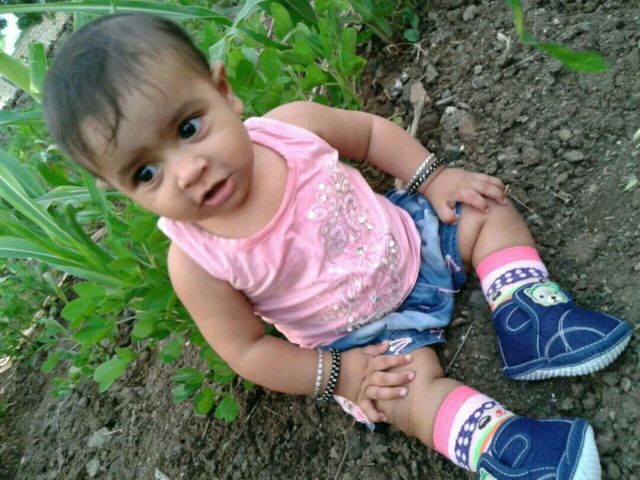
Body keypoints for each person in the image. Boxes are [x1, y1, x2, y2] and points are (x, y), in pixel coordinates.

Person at [42, 13, 632, 479]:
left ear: (224, 91)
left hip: (412, 241)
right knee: (403, 393)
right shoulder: (196, 262)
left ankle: (528, 315)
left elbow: (369, 134)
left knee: (482, 207)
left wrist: (432, 178)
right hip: (365, 339)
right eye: (145, 173)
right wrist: (340, 375)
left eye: (188, 128)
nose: (187, 171)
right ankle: (506, 446)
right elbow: (248, 351)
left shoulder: (291, 128)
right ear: (120, 190)